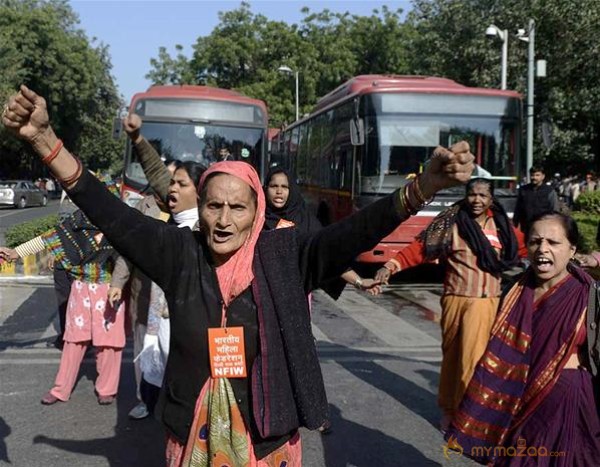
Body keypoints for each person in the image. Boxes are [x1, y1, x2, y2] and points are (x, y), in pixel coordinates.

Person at [2, 85, 474, 466]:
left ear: (256, 212)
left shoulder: (285, 255)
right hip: (191, 433)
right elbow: (109, 213)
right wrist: (45, 142)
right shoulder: (179, 253)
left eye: (237, 207)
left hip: (266, 439)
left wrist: (425, 186)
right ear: (200, 209)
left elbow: (353, 234)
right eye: (213, 206)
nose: (224, 220)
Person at [446, 212, 600, 465]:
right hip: (514, 404)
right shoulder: (514, 292)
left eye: (553, 242)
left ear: (572, 250)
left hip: (565, 406)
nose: (543, 249)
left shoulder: (586, 296)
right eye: (535, 241)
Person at [374, 178, 521, 431]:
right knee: (452, 358)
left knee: (471, 361)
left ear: (491, 199)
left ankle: (469, 416)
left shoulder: (502, 226)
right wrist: (391, 265)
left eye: (483, 195)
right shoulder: (450, 221)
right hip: (454, 300)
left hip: (483, 303)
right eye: (473, 194)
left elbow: (528, 247)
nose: (477, 200)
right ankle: (449, 410)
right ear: (466, 196)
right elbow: (421, 247)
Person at [0, 184, 125, 406]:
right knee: (73, 340)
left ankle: (106, 388)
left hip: (109, 291)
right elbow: (47, 239)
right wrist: (15, 253)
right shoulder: (75, 224)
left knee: (108, 344)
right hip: (81, 288)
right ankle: (61, 389)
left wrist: (118, 283)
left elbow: (127, 260)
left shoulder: (120, 228)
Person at [264, 166, 381, 294]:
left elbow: (327, 254)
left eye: (285, 187)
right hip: (263, 294)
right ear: (266, 189)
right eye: (274, 186)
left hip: (296, 296)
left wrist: (359, 281)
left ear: (292, 190)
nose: (279, 191)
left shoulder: (306, 221)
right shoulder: (257, 220)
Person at [513, 166, 560, 234]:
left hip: (543, 228)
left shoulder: (549, 191)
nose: (534, 177)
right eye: (532, 175)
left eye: (537, 175)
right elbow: (518, 209)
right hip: (526, 228)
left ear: (543, 176)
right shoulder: (524, 190)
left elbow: (555, 210)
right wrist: (515, 225)